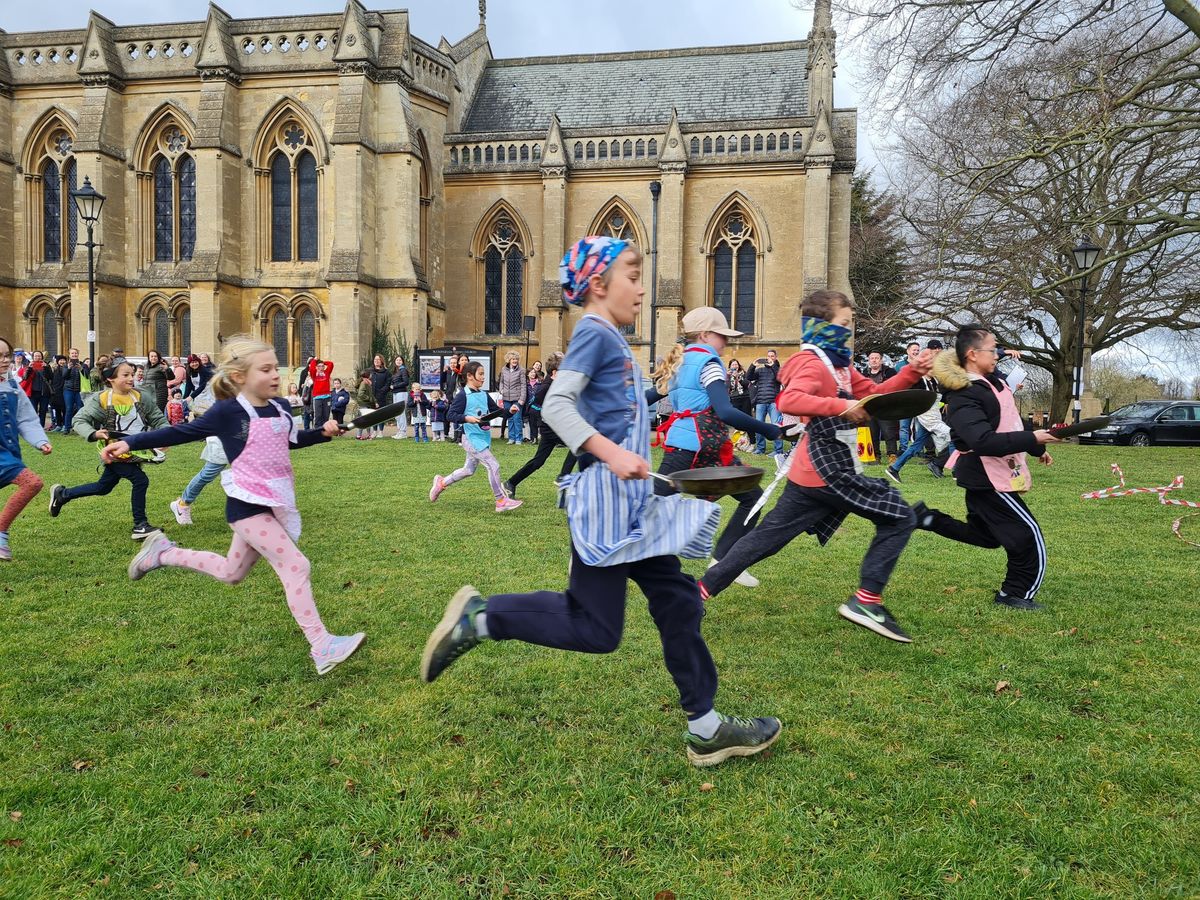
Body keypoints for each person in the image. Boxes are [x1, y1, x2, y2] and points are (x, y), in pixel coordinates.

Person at [420, 235, 781, 767]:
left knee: (678, 600)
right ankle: (482, 617)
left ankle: (705, 729)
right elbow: (557, 407)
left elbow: (616, 406)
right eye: (632, 277)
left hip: (632, 504)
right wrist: (611, 452)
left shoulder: (612, 340)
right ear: (597, 285)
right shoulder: (593, 333)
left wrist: (655, 404)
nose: (641, 289)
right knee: (595, 628)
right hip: (608, 502)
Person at [109, 334, 365, 675]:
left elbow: (291, 441)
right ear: (241, 376)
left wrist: (323, 432)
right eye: (266, 369)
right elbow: (180, 432)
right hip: (246, 507)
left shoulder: (280, 407)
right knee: (296, 565)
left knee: (232, 573)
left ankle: (162, 553)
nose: (275, 375)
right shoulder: (228, 412)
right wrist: (129, 441)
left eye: (276, 368)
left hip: (274, 501)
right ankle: (322, 645)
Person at [699, 289, 933, 643]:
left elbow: (876, 392)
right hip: (829, 469)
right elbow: (789, 399)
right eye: (844, 323)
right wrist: (840, 407)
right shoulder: (811, 362)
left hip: (812, 471)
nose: (849, 330)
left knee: (767, 539)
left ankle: (695, 593)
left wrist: (913, 371)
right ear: (822, 325)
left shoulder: (839, 367)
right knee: (900, 516)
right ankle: (866, 601)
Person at [912, 326, 1059, 611]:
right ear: (972, 354)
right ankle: (1014, 594)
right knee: (1027, 535)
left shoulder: (993, 381)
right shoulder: (963, 395)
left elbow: (1010, 421)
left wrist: (1037, 447)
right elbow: (981, 440)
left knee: (989, 537)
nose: (997, 354)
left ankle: (928, 519)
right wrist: (1033, 438)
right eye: (992, 350)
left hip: (989, 475)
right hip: (986, 476)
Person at [652, 307, 784, 588]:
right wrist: (769, 429)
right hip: (703, 447)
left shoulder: (678, 362)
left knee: (751, 498)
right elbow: (725, 411)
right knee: (650, 507)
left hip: (685, 446)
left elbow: (646, 396)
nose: (726, 342)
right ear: (704, 335)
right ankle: (595, 554)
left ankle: (723, 560)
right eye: (721, 336)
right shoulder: (709, 364)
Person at [48, 358, 168, 540]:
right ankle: (140, 525)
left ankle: (62, 495)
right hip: (113, 452)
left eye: (132, 375)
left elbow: (158, 419)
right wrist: (94, 433)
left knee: (103, 487)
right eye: (125, 375)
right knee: (140, 480)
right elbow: (79, 420)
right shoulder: (102, 399)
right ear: (111, 379)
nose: (131, 378)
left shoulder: (141, 397)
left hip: (135, 452)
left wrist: (166, 436)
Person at [431, 361, 523, 512]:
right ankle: (500, 500)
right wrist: (467, 418)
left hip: (482, 438)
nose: (483, 377)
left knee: (468, 470)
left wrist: (510, 411)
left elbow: (497, 411)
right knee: (493, 465)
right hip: (471, 439)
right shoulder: (462, 396)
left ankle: (441, 483)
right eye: (480, 374)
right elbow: (450, 415)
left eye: (483, 374)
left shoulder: (484, 395)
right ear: (469, 376)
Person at [0, 336, 52, 561]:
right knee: (33, 482)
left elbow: (26, 419)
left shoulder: (12, 387)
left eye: (6, 355)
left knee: (33, 484)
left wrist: (40, 440)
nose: (4, 360)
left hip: (8, 454)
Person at [500, 360, 578, 499]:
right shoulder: (546, 387)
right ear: (555, 372)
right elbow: (534, 405)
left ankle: (511, 483)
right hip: (551, 428)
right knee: (579, 443)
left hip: (552, 428)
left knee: (538, 461)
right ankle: (563, 477)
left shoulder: (555, 384)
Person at [886, 339, 952, 483]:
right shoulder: (920, 381)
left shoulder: (935, 381)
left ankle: (894, 468)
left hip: (933, 416)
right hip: (927, 417)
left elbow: (944, 395)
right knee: (953, 437)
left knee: (916, 446)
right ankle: (958, 472)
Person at [862, 352, 900, 463]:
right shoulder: (864, 373)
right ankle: (875, 456)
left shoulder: (890, 372)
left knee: (889, 432)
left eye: (876, 358)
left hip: (885, 407)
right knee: (872, 433)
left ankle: (892, 455)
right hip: (870, 407)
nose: (874, 360)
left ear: (881, 360)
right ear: (869, 360)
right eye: (872, 358)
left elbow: (894, 387)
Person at [746, 349, 783, 455]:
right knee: (758, 426)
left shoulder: (778, 369)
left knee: (776, 426)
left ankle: (778, 450)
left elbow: (780, 379)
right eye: (768, 356)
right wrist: (753, 365)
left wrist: (773, 367)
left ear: (775, 358)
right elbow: (749, 377)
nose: (770, 358)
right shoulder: (760, 370)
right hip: (760, 402)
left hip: (773, 402)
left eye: (772, 356)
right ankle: (760, 449)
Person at [894, 341, 921, 452]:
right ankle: (903, 449)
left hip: (919, 400)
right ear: (908, 351)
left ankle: (918, 450)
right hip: (904, 400)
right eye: (914, 350)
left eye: (918, 350)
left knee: (919, 427)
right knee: (904, 427)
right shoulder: (899, 366)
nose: (916, 352)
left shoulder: (921, 364)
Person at [498, 351, 527, 445]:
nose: (515, 361)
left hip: (517, 398)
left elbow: (523, 385)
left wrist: (522, 399)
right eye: (513, 359)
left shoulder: (521, 370)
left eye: (516, 359)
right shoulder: (503, 369)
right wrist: (501, 390)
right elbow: (501, 382)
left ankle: (519, 438)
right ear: (509, 360)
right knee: (509, 418)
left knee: (517, 418)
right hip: (506, 398)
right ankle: (511, 438)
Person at [62, 349, 84, 434]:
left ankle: (79, 428)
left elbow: (87, 376)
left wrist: (81, 369)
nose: (74, 355)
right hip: (68, 390)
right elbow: (64, 376)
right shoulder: (65, 365)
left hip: (79, 390)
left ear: (78, 354)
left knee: (80, 409)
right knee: (69, 409)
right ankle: (67, 428)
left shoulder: (82, 365)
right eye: (72, 353)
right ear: (69, 355)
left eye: (76, 353)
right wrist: (68, 368)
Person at [368, 354, 391, 438]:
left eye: (378, 359)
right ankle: (374, 431)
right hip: (372, 396)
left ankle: (380, 432)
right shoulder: (371, 371)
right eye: (375, 360)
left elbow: (388, 384)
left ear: (381, 361)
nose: (376, 361)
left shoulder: (386, 372)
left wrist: (382, 391)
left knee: (381, 414)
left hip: (381, 396)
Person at [307, 357, 334, 425]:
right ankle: (317, 431)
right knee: (318, 416)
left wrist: (322, 362)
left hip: (327, 397)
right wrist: (315, 360)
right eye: (319, 366)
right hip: (317, 398)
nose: (321, 367)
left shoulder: (327, 372)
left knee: (326, 416)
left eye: (322, 366)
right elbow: (311, 369)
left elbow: (331, 364)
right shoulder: (314, 374)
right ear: (316, 367)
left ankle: (325, 432)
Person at [390, 356, 411, 439]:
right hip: (395, 393)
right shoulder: (396, 371)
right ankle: (399, 431)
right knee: (396, 413)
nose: (398, 361)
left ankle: (403, 432)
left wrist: (394, 386)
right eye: (397, 360)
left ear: (402, 361)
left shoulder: (403, 370)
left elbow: (406, 382)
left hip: (401, 393)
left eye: (400, 360)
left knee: (401, 413)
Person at [352, 372, 375, 440]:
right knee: (364, 420)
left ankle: (368, 435)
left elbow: (370, 394)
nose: (371, 375)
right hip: (363, 404)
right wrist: (369, 398)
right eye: (370, 374)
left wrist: (374, 401)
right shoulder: (364, 383)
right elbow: (360, 394)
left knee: (367, 420)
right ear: (368, 376)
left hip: (366, 404)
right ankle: (359, 436)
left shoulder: (367, 383)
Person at [525, 361, 545, 441]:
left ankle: (543, 438)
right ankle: (534, 438)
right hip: (529, 408)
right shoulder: (526, 385)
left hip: (538, 407)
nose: (533, 374)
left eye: (534, 372)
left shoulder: (540, 384)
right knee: (532, 423)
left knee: (540, 423)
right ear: (528, 374)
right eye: (531, 372)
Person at [50, 355, 67, 432]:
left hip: (64, 391)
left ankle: (64, 424)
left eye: (63, 360)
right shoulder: (54, 369)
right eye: (60, 360)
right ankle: (58, 424)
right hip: (55, 391)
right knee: (57, 409)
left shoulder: (67, 368)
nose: (62, 362)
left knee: (64, 409)